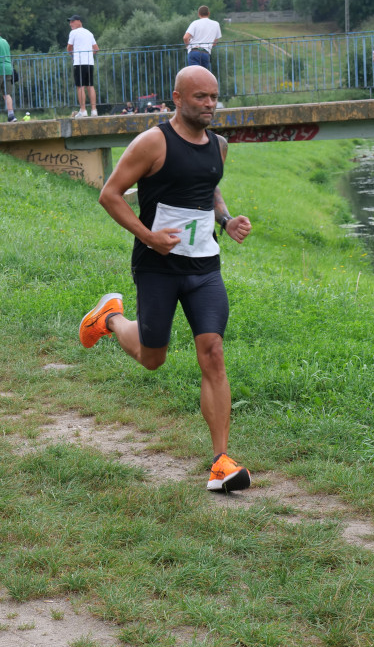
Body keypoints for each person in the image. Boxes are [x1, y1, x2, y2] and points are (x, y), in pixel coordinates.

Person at [80, 65, 253, 493]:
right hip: (158, 267)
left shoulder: (220, 146)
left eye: (214, 97)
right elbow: (110, 195)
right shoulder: (153, 142)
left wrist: (226, 220)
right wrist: (149, 237)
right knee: (153, 358)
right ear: (177, 97)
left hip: (204, 266)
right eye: (201, 97)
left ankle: (221, 461)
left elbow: (207, 188)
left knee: (212, 351)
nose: (210, 104)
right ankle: (111, 319)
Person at [67, 15, 99, 117]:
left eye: (72, 22)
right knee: (90, 86)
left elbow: (69, 47)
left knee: (80, 87)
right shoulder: (89, 32)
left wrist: (72, 55)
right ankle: (94, 111)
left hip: (79, 62)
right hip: (89, 62)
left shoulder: (73, 33)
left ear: (79, 21)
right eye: (70, 22)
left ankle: (83, 110)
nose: (70, 24)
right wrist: (89, 55)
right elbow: (96, 49)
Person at [184, 6, 222, 71]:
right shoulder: (216, 24)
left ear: (199, 14)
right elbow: (215, 43)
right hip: (206, 53)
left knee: (194, 75)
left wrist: (188, 46)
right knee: (203, 76)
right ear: (208, 13)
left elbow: (185, 37)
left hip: (194, 52)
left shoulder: (195, 23)